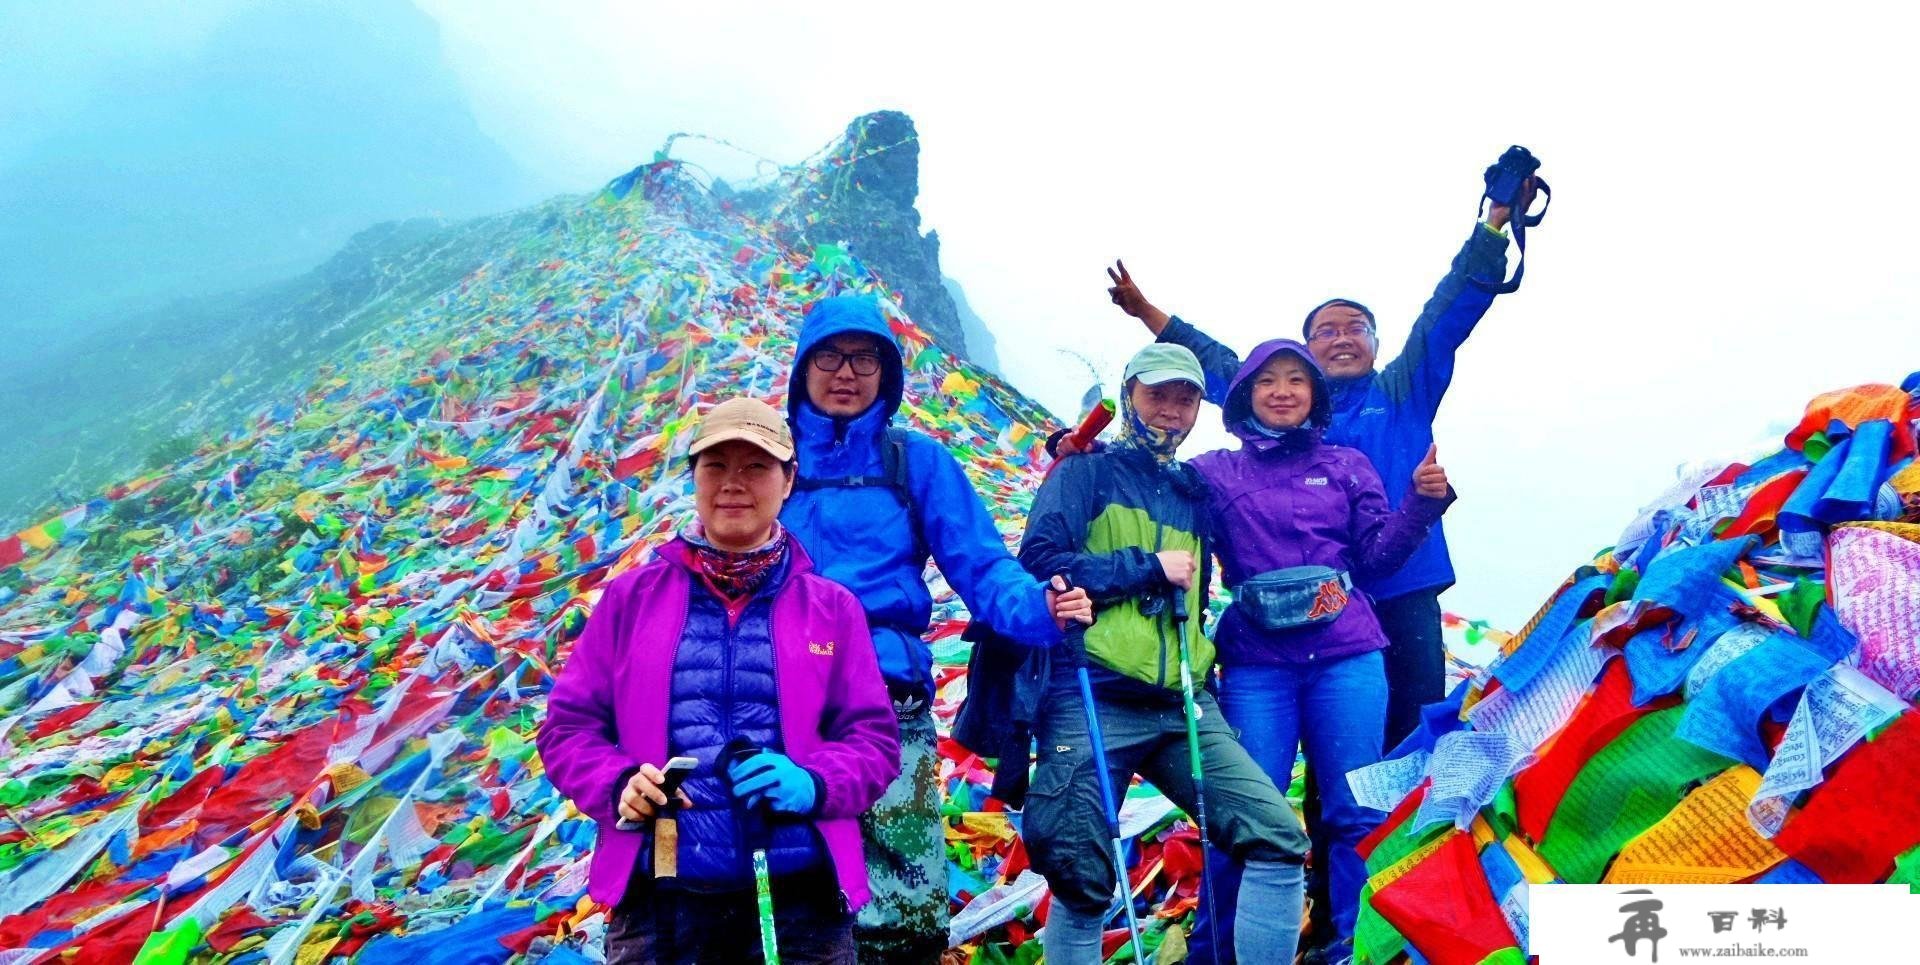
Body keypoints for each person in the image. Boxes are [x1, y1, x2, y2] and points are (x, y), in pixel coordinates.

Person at [1107, 178, 1534, 750]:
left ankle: (1398, 841)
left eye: (1355, 328)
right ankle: (1327, 842)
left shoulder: (1404, 389)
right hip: (1306, 609)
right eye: (1324, 332)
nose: (1341, 339)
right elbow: (1213, 362)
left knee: (1411, 736)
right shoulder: (1289, 405)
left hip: (1404, 588)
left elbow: (1443, 319)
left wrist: (1494, 223)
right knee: (1333, 742)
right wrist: (1144, 312)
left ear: (1376, 345)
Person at [779, 295, 1091, 962]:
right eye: (830, 355)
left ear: (888, 374)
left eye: (866, 358)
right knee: (792, 893)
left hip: (887, 700)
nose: (846, 371)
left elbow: (981, 563)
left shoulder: (915, 461)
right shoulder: (770, 462)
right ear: (803, 366)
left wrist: (1040, 606)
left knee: (904, 908)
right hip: (782, 702)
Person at [537, 397, 900, 964]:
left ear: (788, 481)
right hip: (661, 898)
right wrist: (617, 785)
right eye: (715, 466)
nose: (734, 483)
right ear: (694, 478)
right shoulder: (631, 599)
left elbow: (874, 742)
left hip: (801, 901)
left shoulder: (832, 608)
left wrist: (815, 783)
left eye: (755, 466)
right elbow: (568, 728)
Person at [1018, 343, 1310, 964]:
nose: (1171, 411)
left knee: (1278, 839)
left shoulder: (1192, 489)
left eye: (1185, 399)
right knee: (1080, 872)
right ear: (1129, 395)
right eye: (1158, 395)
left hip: (1182, 702)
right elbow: (1039, 564)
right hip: (1090, 688)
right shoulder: (1085, 470)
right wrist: (1146, 568)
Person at [1180, 340, 1455, 965]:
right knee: (1242, 817)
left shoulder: (1349, 464)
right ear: (1245, 393)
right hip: (1254, 666)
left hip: (1348, 657)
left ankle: (1353, 949)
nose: (1282, 391)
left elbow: (1379, 557)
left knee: (1355, 812)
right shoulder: (1211, 472)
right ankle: (1212, 953)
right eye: (1267, 380)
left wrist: (1420, 500)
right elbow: (1150, 496)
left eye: (1296, 381)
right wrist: (1075, 457)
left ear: (1315, 396)